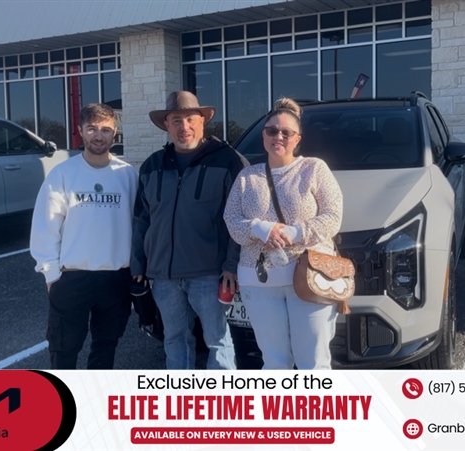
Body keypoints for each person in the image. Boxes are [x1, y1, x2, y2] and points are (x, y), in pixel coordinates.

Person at [223, 97, 344, 370]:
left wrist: (293, 232)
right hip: (258, 282)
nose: (278, 136)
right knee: (274, 362)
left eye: (286, 132)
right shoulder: (247, 177)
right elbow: (231, 220)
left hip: (310, 278)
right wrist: (261, 229)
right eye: (272, 130)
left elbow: (333, 216)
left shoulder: (314, 169)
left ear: (297, 139)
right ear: (263, 135)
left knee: (313, 362)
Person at [131, 91, 248, 370]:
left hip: (209, 274)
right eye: (176, 120)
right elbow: (142, 219)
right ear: (166, 125)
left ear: (202, 121)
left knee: (217, 341)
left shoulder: (228, 161)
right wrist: (138, 264)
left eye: (190, 119)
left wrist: (232, 264)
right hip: (163, 276)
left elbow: (240, 218)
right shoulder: (152, 166)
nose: (184, 127)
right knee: (174, 340)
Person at [30, 103, 138, 369]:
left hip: (116, 278)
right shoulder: (63, 174)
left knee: (106, 348)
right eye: (92, 129)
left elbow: (139, 226)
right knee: (63, 350)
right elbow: (45, 226)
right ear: (80, 131)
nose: (98, 136)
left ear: (115, 133)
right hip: (72, 278)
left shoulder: (127, 175)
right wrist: (51, 275)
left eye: (105, 130)